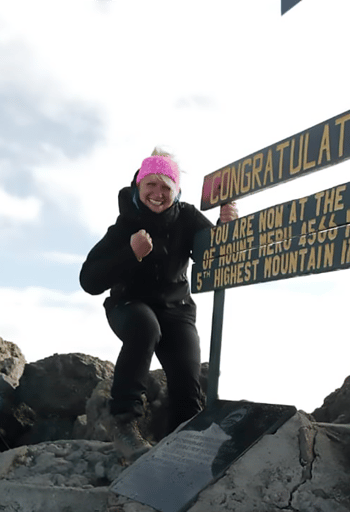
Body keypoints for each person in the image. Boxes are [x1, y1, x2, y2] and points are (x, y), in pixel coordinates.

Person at [79, 148, 238, 460]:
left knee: (187, 383)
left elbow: (217, 258)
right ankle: (124, 424)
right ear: (139, 184)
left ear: (175, 192)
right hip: (129, 306)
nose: (157, 193)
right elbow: (89, 281)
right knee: (144, 326)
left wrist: (225, 228)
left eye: (166, 187)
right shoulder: (124, 226)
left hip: (177, 311)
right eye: (151, 184)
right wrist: (130, 253)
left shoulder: (187, 217)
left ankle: (181, 450)